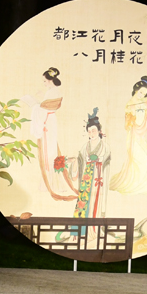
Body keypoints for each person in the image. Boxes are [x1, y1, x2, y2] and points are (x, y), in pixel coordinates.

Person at [20, 67, 77, 201]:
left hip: (47, 122)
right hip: (50, 120)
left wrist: (34, 105)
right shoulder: (53, 91)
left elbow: (43, 109)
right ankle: (53, 182)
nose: (44, 83)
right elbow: (46, 106)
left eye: (45, 81)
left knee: (48, 152)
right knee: (50, 150)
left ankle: (51, 183)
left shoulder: (52, 92)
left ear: (50, 81)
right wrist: (39, 100)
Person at [109, 76, 147, 195]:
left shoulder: (145, 102)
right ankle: (135, 184)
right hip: (133, 136)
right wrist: (139, 110)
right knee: (140, 159)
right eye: (141, 92)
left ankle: (144, 184)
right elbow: (128, 123)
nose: (142, 95)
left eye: (144, 93)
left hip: (141, 136)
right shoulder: (129, 105)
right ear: (136, 89)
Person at [73, 108, 112, 240]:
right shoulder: (85, 146)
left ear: (99, 131)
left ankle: (95, 231)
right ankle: (83, 232)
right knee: (85, 202)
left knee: (97, 202)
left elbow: (107, 161)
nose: (91, 133)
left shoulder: (105, 146)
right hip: (87, 177)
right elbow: (80, 161)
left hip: (98, 177)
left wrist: (98, 160)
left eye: (93, 130)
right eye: (89, 131)